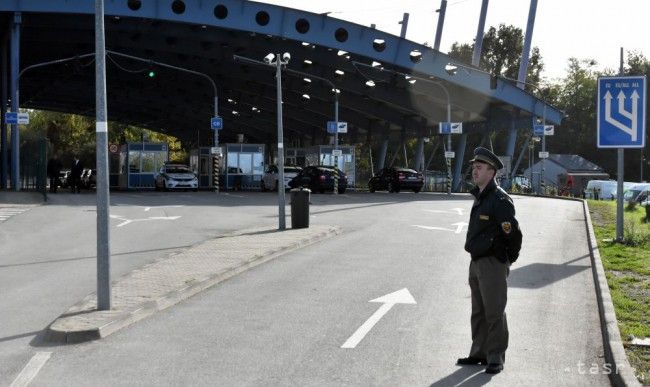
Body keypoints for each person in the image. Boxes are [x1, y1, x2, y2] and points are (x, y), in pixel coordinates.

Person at [457, 147, 522, 375]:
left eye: (480, 167)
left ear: (492, 172)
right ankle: (479, 353)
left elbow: (513, 234)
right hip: (476, 262)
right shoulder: (481, 195)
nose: (475, 171)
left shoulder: (499, 199)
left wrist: (505, 260)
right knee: (478, 311)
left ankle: (495, 357)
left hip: (492, 262)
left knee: (494, 311)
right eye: (474, 167)